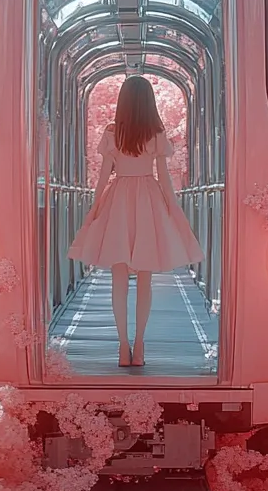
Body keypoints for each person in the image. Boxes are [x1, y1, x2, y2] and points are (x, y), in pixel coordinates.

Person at [67, 76, 204, 367]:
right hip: (148, 198)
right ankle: (140, 345)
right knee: (145, 277)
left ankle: (122, 346)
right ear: (149, 102)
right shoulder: (155, 132)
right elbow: (164, 177)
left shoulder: (113, 133)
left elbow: (105, 175)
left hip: (119, 198)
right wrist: (172, 207)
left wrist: (95, 207)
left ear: (123, 102)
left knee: (118, 278)